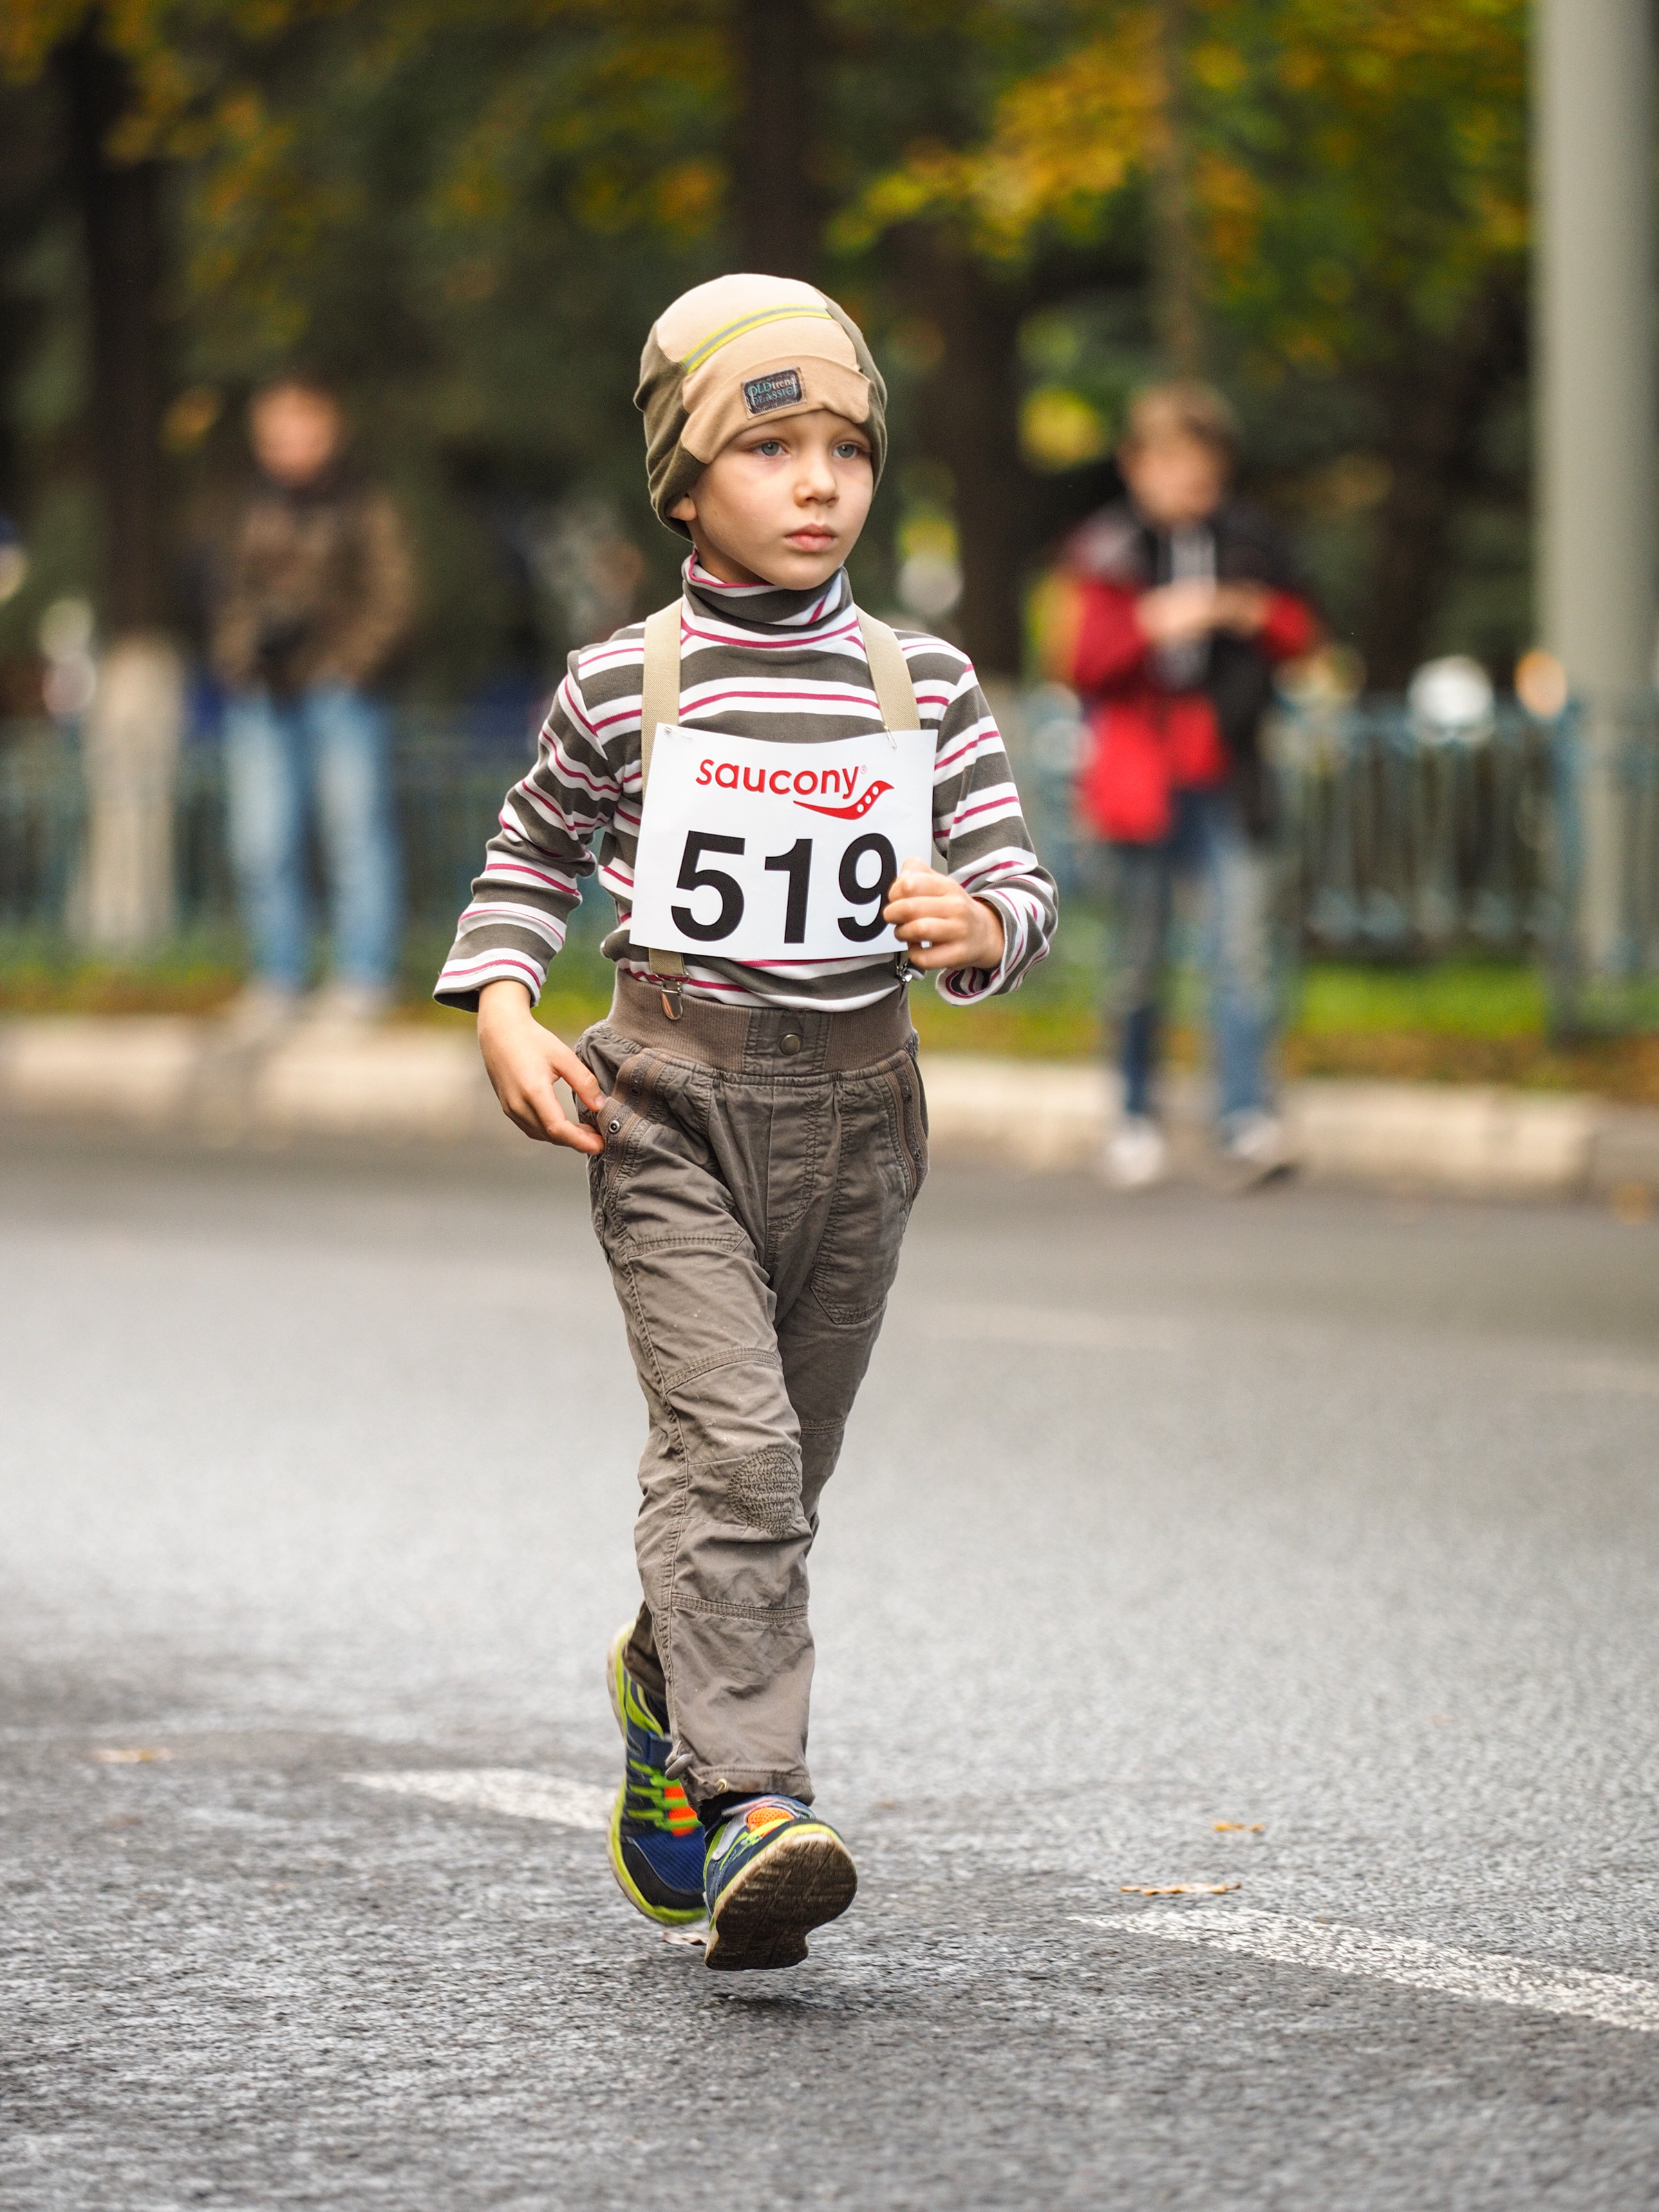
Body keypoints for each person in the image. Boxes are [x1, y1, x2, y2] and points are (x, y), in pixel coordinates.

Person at [435, 273, 1058, 1971]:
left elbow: (1017, 883)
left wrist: (979, 927)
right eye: (769, 449)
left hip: (859, 1116)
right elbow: (528, 851)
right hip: (666, 1108)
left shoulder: (922, 681)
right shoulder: (619, 682)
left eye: (846, 450)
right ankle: (754, 1803)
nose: (816, 483)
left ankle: (667, 1686)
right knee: (739, 1459)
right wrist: (502, 1005)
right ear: (684, 484)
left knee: (787, 1476)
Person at [1056, 382, 1318, 1188]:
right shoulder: (1106, 549)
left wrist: (1244, 611)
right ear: (1138, 466)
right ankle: (1135, 1116)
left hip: (1230, 771)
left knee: (1241, 954)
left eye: (1203, 467)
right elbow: (1079, 660)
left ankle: (1246, 1119)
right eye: (1173, 464)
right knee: (1137, 957)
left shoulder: (1253, 543)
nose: (1190, 483)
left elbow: (1302, 630)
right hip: (1141, 778)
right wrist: (1153, 623)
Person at [212, 373, 415, 1033]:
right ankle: (278, 979)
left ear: (331, 431)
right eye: (276, 433)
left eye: (302, 429)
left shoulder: (364, 504)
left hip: (340, 693)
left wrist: (348, 666)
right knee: (260, 841)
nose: (289, 445)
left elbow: (395, 596)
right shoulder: (248, 506)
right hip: (264, 693)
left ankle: (365, 977)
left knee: (355, 834)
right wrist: (240, 656)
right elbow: (227, 596)